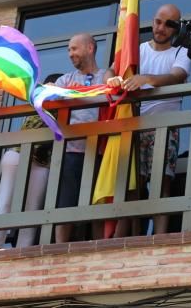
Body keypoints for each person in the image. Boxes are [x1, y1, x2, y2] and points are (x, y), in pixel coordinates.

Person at [106, 4, 191, 235]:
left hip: (164, 127)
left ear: (176, 28)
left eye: (169, 24)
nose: (161, 28)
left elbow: (177, 76)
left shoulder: (180, 52)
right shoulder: (138, 49)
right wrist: (112, 81)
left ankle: (159, 237)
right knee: (133, 185)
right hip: (136, 125)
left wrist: (146, 78)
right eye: (158, 21)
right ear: (153, 21)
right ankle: (128, 237)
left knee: (162, 182)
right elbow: (111, 71)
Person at [0, 73, 62, 249]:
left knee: (32, 210)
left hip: (41, 163)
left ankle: (22, 250)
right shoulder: (39, 97)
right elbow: (20, 89)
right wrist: (42, 87)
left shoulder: (65, 104)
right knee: (6, 200)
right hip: (19, 155)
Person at [54, 33, 106, 243]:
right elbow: (48, 96)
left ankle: (99, 249)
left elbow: (112, 93)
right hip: (71, 150)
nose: (70, 54)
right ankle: (60, 249)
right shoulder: (65, 79)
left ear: (90, 49)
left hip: (100, 148)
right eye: (69, 49)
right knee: (65, 202)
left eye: (74, 49)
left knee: (98, 204)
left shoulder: (106, 75)